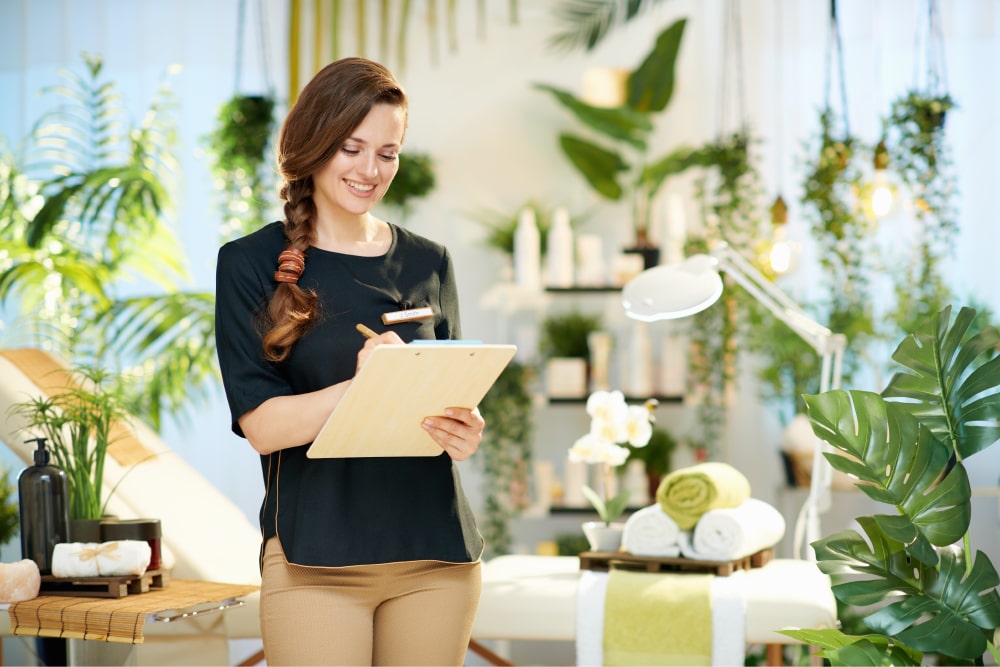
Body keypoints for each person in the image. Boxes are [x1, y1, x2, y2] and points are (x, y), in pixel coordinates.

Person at [214, 57, 486, 666]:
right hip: (316, 561)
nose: (370, 171)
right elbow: (263, 427)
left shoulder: (429, 262)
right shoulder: (249, 264)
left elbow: (449, 404)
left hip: (435, 555)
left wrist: (463, 430)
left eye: (387, 153)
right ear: (313, 145)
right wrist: (369, 383)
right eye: (351, 148)